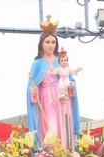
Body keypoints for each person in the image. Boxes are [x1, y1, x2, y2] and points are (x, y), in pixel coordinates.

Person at [27, 16, 80, 150]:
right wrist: (32, 92)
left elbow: (70, 78)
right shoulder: (37, 63)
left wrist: (72, 87)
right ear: (41, 44)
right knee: (51, 127)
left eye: (53, 42)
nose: (51, 45)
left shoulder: (62, 61)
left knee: (65, 127)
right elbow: (32, 84)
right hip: (47, 97)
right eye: (47, 42)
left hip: (63, 98)